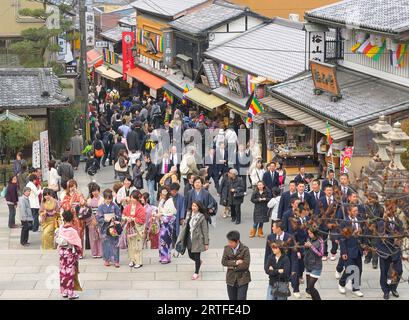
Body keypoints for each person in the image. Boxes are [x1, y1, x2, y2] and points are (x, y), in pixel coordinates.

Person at [377, 205, 403, 300]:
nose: (393, 210)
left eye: (394, 208)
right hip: (384, 251)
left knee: (399, 270)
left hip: (395, 250)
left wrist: (399, 238)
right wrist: (393, 236)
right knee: (384, 272)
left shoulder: (398, 222)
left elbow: (401, 233)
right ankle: (385, 291)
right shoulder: (381, 222)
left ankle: (393, 288)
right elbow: (382, 236)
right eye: (390, 208)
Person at [338, 206, 364, 297]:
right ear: (349, 211)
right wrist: (344, 252)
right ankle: (341, 283)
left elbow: (362, 235)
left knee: (359, 269)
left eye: (357, 210)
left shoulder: (360, 220)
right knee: (350, 269)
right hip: (349, 249)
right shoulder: (344, 222)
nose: (357, 212)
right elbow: (342, 239)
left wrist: (364, 248)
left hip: (358, 249)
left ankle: (355, 288)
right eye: (354, 210)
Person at [56, 210, 82, 300]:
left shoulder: (61, 228)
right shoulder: (72, 231)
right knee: (70, 273)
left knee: (63, 271)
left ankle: (64, 291)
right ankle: (71, 293)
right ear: (72, 219)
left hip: (62, 253)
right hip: (69, 253)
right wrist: (79, 253)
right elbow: (77, 244)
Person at [221, 231, 251, 300]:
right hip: (230, 279)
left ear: (237, 241)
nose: (229, 244)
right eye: (229, 242)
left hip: (243, 279)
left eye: (231, 242)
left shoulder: (245, 249)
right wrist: (236, 262)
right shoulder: (227, 248)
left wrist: (231, 266)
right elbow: (224, 262)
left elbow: (246, 265)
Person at [184, 201, 209, 280]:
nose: (193, 208)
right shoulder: (189, 214)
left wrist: (206, 243)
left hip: (198, 239)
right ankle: (198, 262)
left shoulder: (202, 217)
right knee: (190, 254)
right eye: (193, 206)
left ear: (199, 207)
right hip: (189, 237)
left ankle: (196, 272)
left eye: (195, 206)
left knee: (197, 256)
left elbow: (205, 230)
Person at [61, 180, 86, 257]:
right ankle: (71, 251)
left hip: (79, 217)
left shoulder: (79, 194)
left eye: (74, 186)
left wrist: (79, 199)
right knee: (71, 235)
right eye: (71, 186)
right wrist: (72, 200)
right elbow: (65, 206)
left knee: (79, 234)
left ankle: (80, 252)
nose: (72, 188)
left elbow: (83, 203)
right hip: (70, 218)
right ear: (68, 187)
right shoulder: (66, 196)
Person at [97, 189, 122, 267]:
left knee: (115, 243)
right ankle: (107, 259)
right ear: (104, 198)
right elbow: (99, 218)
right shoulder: (101, 207)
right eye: (106, 198)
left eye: (110, 198)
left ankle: (116, 260)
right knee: (105, 243)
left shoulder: (115, 206)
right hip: (105, 228)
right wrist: (104, 219)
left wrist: (115, 217)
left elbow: (119, 215)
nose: (108, 200)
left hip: (113, 226)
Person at [122, 190, 146, 268]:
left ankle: (138, 261)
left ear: (138, 199)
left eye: (134, 198)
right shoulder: (127, 207)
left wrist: (132, 219)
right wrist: (126, 218)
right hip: (130, 228)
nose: (132, 199)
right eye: (131, 197)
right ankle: (132, 260)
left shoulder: (141, 208)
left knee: (137, 245)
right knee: (130, 245)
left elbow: (142, 219)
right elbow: (123, 215)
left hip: (137, 229)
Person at [154, 188, 177, 264]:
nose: (162, 195)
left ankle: (166, 257)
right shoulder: (162, 201)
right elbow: (159, 210)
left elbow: (172, 213)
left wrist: (161, 215)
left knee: (165, 240)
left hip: (167, 224)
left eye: (164, 193)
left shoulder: (170, 201)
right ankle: (163, 256)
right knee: (161, 240)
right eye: (161, 193)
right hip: (162, 223)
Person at [304, 228, 324, 300]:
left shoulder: (320, 241)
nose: (309, 235)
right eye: (308, 233)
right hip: (308, 264)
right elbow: (307, 251)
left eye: (310, 233)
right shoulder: (309, 239)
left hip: (316, 266)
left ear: (314, 233)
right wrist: (306, 246)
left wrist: (311, 246)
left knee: (310, 287)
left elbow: (321, 254)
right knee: (309, 289)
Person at [86, 183, 104, 258]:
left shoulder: (102, 199)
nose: (95, 192)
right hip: (91, 221)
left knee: (100, 236)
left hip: (100, 220)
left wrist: (98, 219)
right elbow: (88, 211)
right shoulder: (89, 200)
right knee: (92, 236)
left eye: (96, 191)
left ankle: (100, 252)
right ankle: (94, 252)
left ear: (99, 191)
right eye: (93, 191)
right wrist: (92, 219)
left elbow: (102, 210)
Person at [169, 183, 185, 256]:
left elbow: (182, 208)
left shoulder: (181, 198)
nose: (173, 192)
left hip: (177, 217)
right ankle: (172, 248)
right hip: (169, 217)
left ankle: (177, 248)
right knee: (170, 233)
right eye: (172, 191)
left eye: (175, 191)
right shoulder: (169, 197)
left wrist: (182, 218)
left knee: (177, 233)